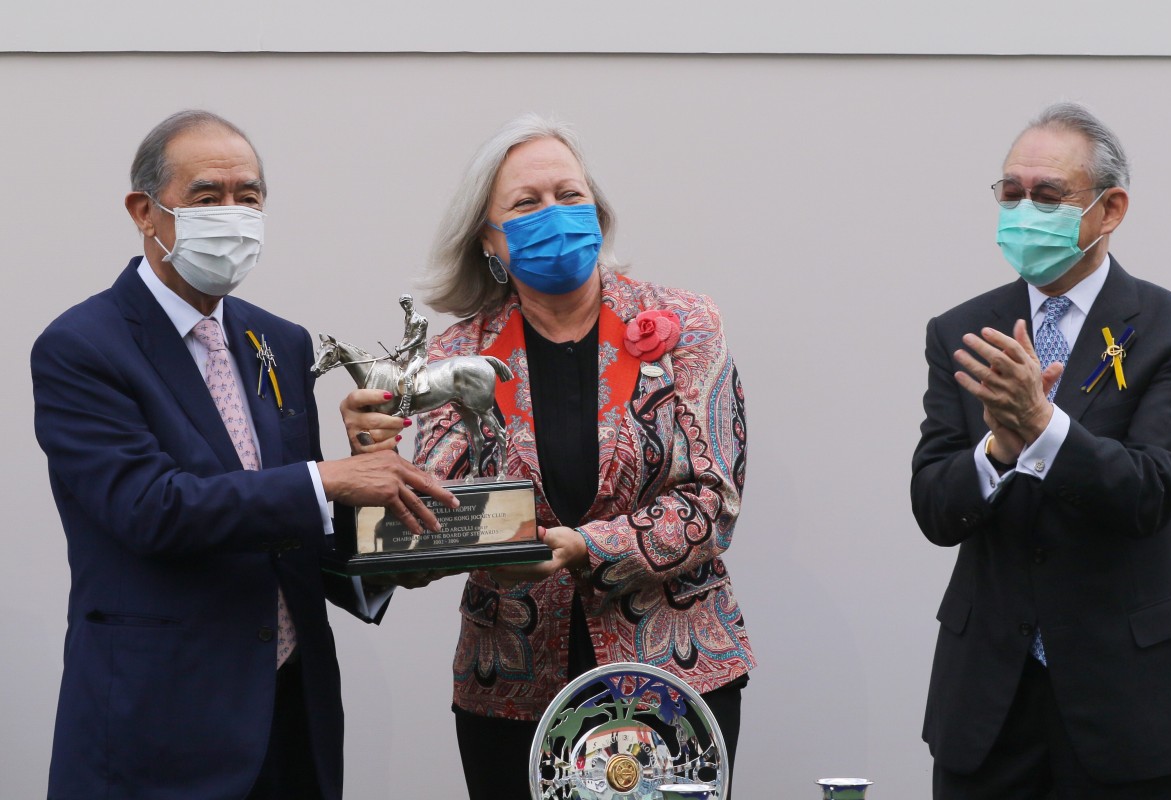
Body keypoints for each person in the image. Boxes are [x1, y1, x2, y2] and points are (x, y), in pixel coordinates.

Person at [31, 110, 455, 799]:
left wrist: (392, 541)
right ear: (145, 211)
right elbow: (152, 509)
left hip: (291, 714)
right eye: (207, 196)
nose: (233, 214)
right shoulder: (82, 347)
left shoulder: (279, 342)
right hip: (164, 727)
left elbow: (292, 526)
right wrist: (330, 479)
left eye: (248, 196)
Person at [344, 113, 754, 797]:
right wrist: (372, 454)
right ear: (489, 239)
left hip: (673, 674)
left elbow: (714, 502)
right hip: (510, 688)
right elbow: (433, 505)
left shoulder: (686, 325)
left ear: (598, 210)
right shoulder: (454, 355)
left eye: (569, 195)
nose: (554, 214)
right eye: (526, 203)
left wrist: (585, 545)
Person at [912, 101, 1171, 799]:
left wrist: (1043, 428)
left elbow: (1151, 491)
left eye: (1047, 195)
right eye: (1011, 193)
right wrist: (999, 449)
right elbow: (934, 507)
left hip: (1126, 702)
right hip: (988, 702)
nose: (1024, 211)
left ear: (1110, 210)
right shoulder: (962, 330)